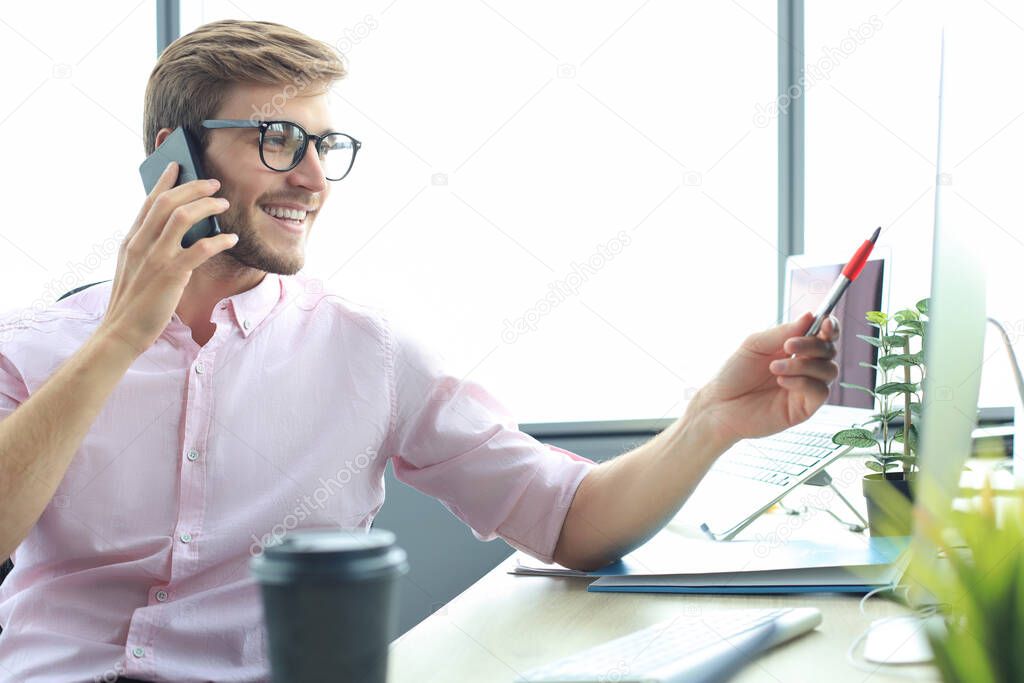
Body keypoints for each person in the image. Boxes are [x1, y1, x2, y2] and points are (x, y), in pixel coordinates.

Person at [0, 19, 838, 683]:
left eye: (324, 146)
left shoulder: (369, 352)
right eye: (277, 140)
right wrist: (122, 337)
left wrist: (710, 420)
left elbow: (571, 521)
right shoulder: (35, 352)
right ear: (171, 158)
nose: (314, 178)